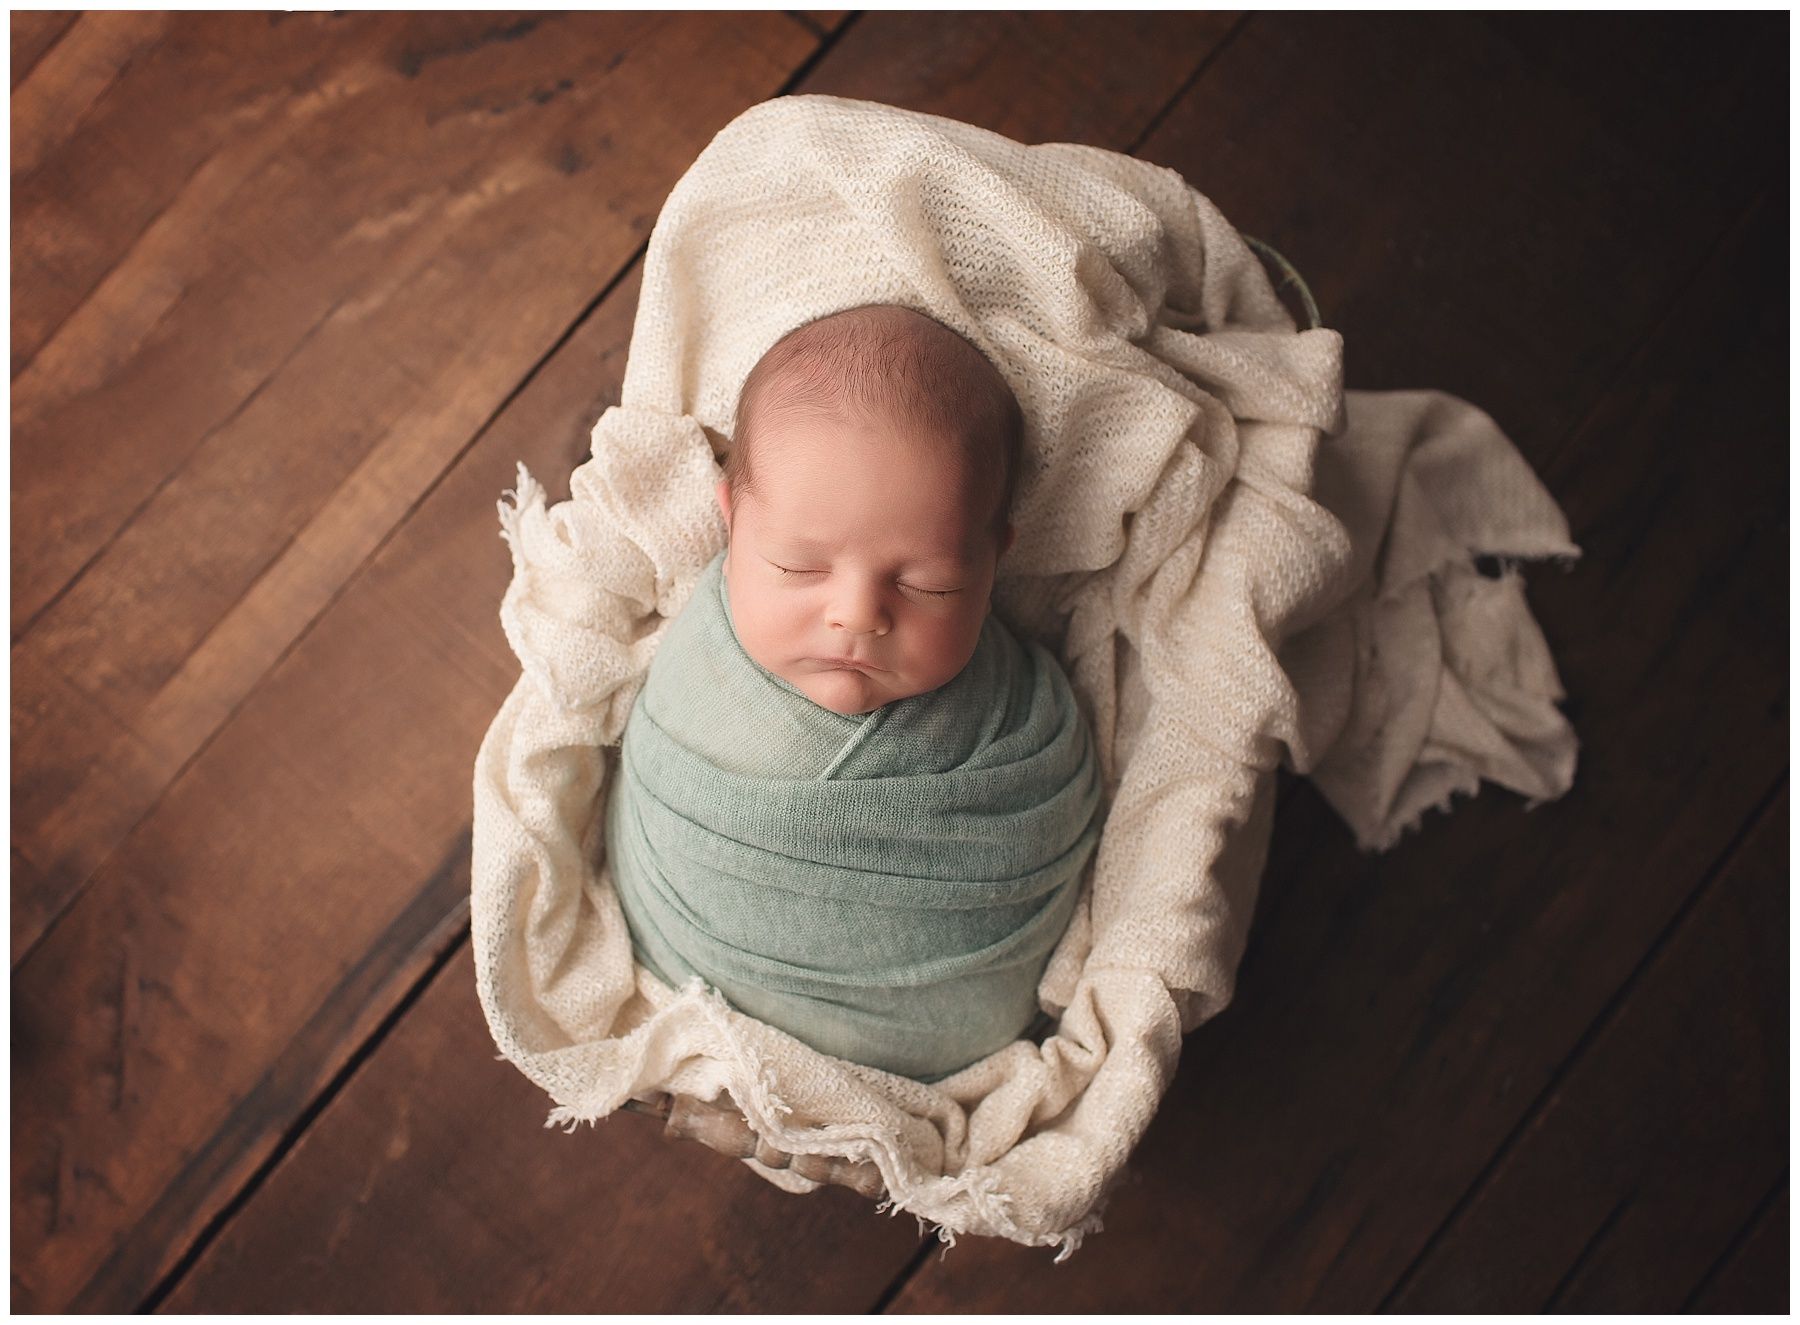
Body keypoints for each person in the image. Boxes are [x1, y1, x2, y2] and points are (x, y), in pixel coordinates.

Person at [602, 303, 1101, 1082]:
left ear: (993, 561)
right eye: (799, 567)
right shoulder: (700, 658)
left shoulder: (1016, 716)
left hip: (950, 1048)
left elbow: (1058, 820)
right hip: (691, 977)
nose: (858, 614)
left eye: (927, 582)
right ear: (731, 522)